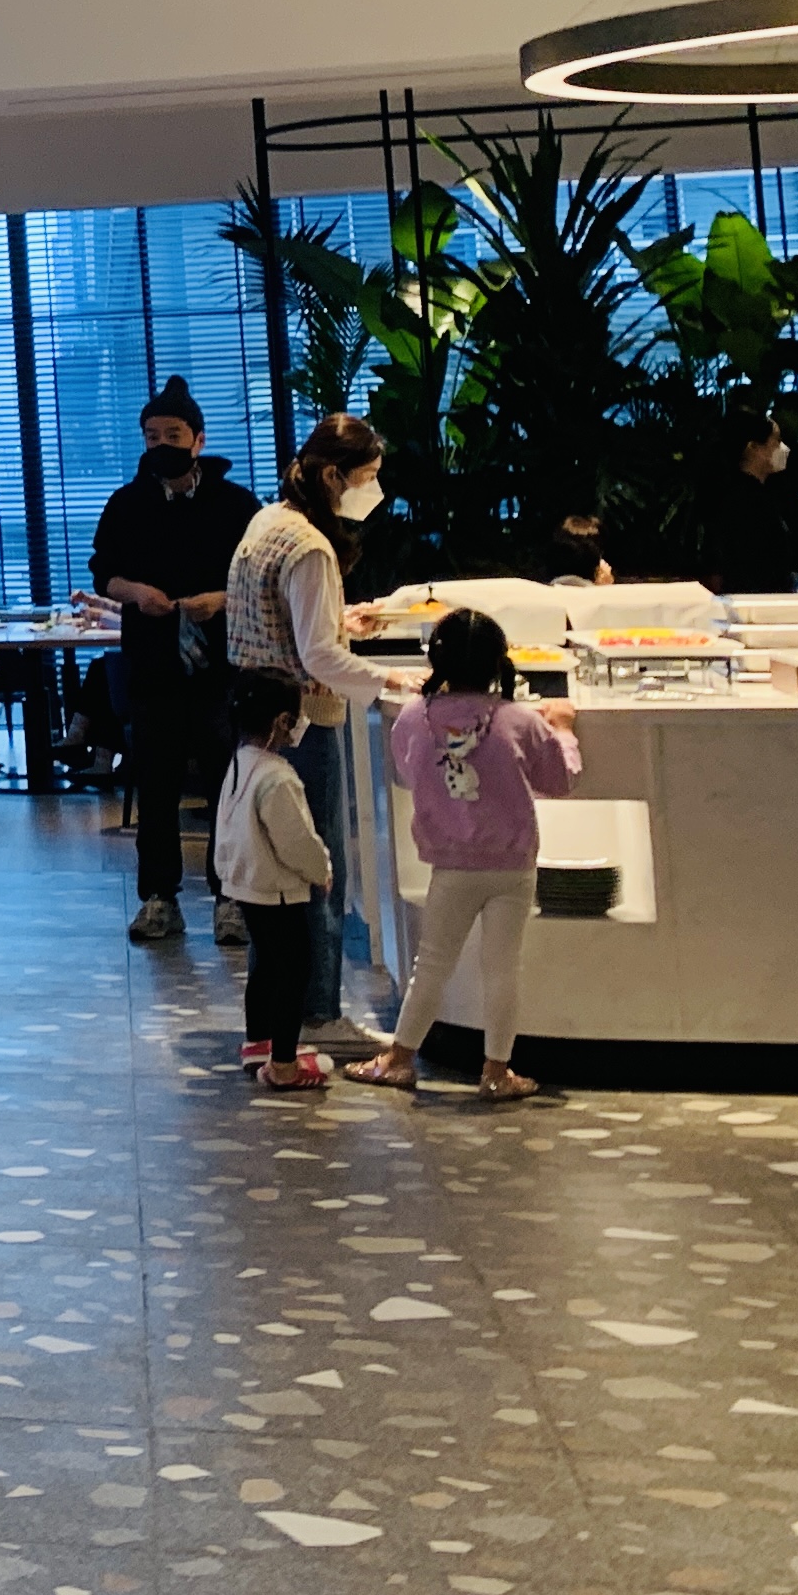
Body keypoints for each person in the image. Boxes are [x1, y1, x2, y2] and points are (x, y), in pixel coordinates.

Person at [343, 609, 579, 1105]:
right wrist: (563, 730)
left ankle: (400, 1059)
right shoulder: (520, 720)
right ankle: (496, 1071)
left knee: (431, 965)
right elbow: (559, 780)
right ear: (499, 661)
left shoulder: (414, 718)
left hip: (450, 864)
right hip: (513, 864)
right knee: (503, 969)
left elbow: (407, 772)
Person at [226, 415, 401, 1057]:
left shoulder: (267, 522)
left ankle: (277, 1022)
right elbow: (319, 656)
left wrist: (342, 618)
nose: (372, 490)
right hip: (303, 722)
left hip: (258, 722)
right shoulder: (312, 547)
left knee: (276, 878)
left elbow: (283, 622)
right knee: (318, 872)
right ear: (333, 475)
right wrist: (393, 680)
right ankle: (319, 1013)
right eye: (367, 477)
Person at [91, 380, 257, 944]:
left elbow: (259, 579)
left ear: (198, 440)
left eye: (173, 434)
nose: (161, 444)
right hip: (152, 665)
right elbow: (104, 574)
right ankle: (159, 897)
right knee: (156, 784)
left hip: (221, 669)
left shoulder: (235, 504)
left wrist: (221, 600)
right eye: (151, 436)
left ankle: (230, 896)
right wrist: (136, 592)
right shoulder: (126, 503)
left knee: (226, 783)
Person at [213, 665, 338, 1092]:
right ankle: (284, 1064)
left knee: (266, 964)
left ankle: (258, 1043)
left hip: (247, 884)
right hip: (279, 890)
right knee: (294, 970)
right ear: (283, 721)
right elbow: (296, 841)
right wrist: (321, 869)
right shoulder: (279, 777)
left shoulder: (239, 762)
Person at [696, 406, 798, 596]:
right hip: (756, 600)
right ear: (754, 447)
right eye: (776, 441)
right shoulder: (747, 501)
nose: (783, 448)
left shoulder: (746, 494)